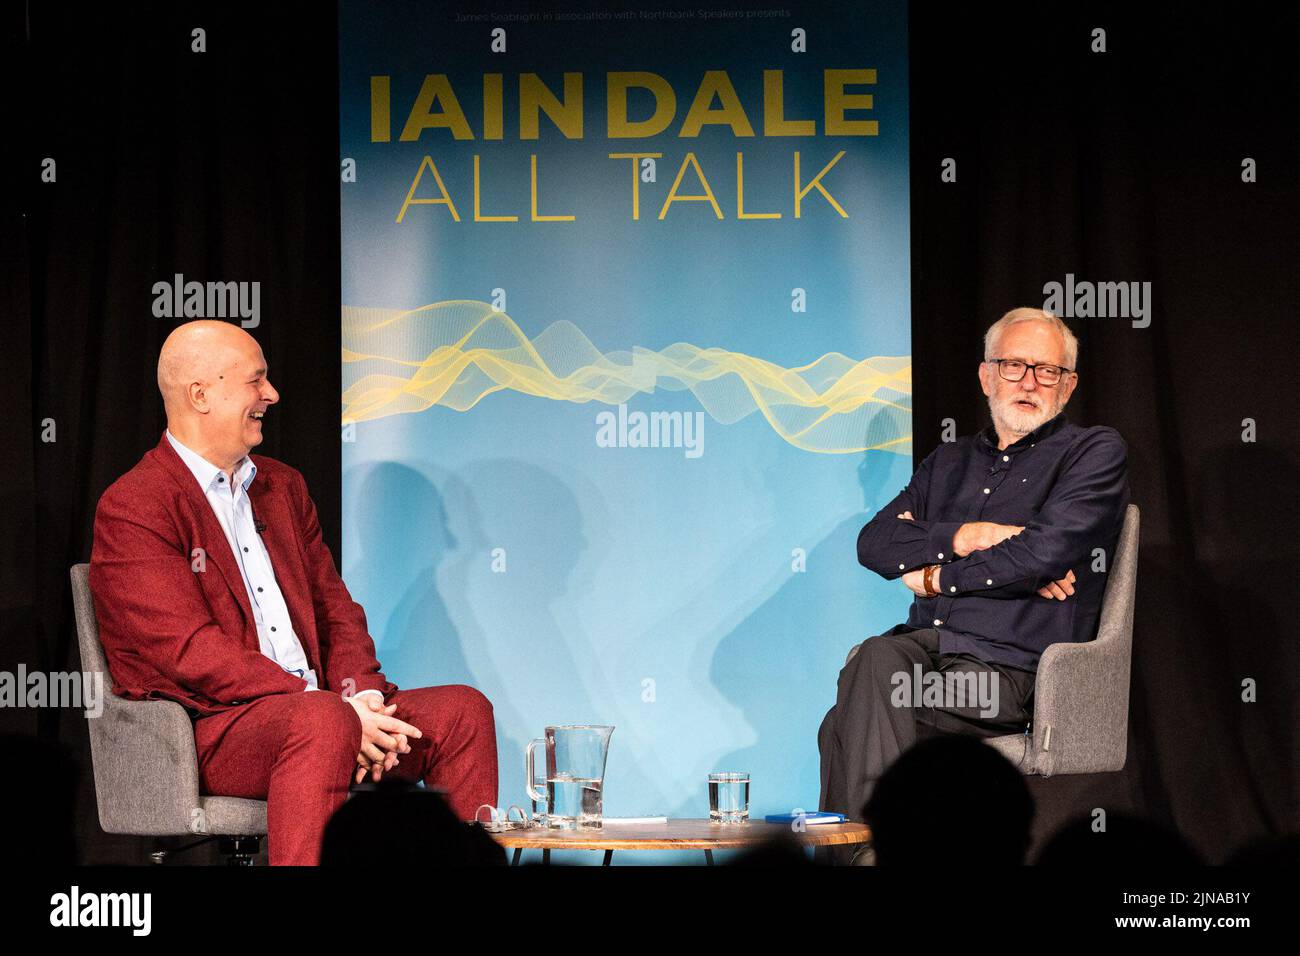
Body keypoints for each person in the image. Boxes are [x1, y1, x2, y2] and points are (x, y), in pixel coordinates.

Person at [89, 319, 497, 865]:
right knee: (322, 723)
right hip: (208, 730)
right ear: (200, 394)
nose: (271, 395)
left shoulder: (282, 487)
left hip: (324, 712)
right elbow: (185, 648)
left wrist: (364, 699)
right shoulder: (137, 503)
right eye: (256, 380)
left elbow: (334, 608)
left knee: (462, 714)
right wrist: (326, 707)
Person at [818, 307, 1130, 862]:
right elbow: (875, 544)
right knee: (870, 674)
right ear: (987, 376)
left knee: (857, 698)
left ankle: (868, 858)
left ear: (1069, 385)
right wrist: (970, 535)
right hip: (927, 653)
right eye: (1013, 366)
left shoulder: (1093, 452)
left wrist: (936, 577)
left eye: (1047, 370)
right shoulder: (947, 462)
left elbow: (1043, 552)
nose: (1029, 382)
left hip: (1005, 672)